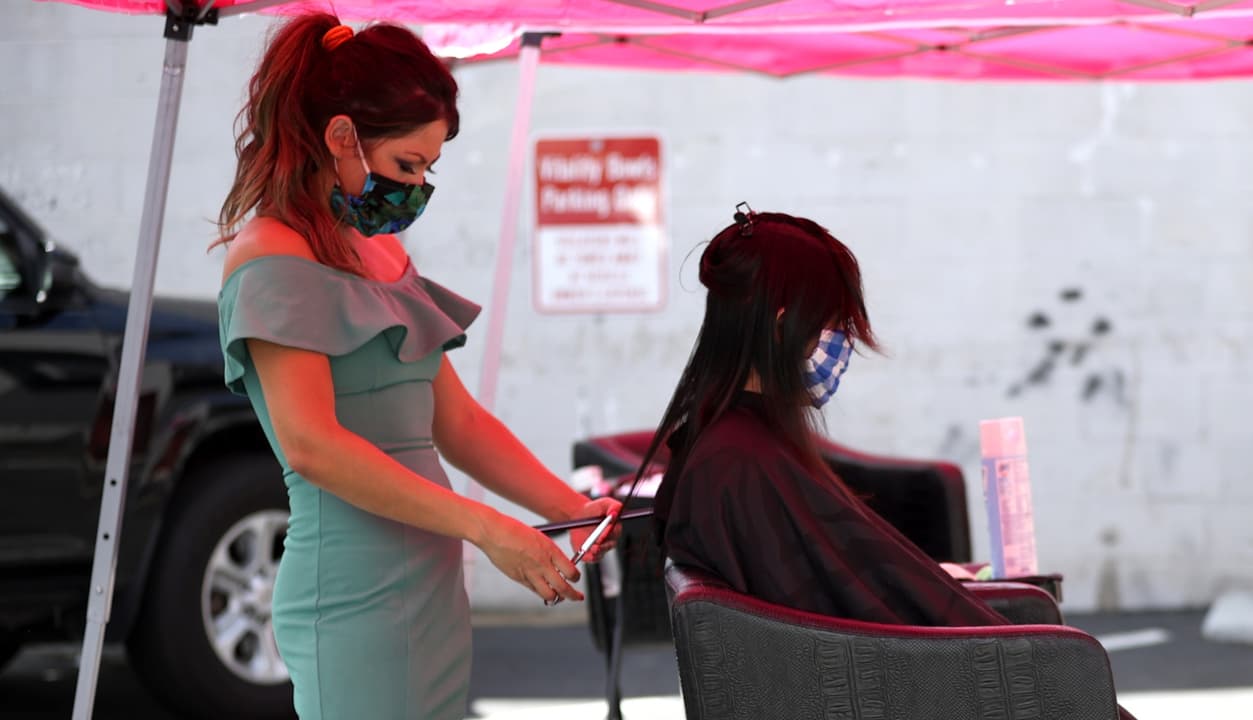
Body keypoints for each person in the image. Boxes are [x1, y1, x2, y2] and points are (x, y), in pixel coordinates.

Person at [213, 14, 619, 720]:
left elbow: (455, 422)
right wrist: (487, 528)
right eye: (408, 165)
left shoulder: (380, 253)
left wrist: (570, 511)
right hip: (354, 596)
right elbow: (313, 446)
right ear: (342, 137)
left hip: (427, 589)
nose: (420, 187)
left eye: (429, 168)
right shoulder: (272, 255)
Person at [636, 207, 1136, 714]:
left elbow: (846, 588)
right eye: (832, 325)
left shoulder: (734, 449)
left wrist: (938, 581)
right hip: (889, 682)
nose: (841, 346)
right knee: (1066, 676)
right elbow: (848, 617)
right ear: (784, 326)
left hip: (885, 671)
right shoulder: (740, 464)